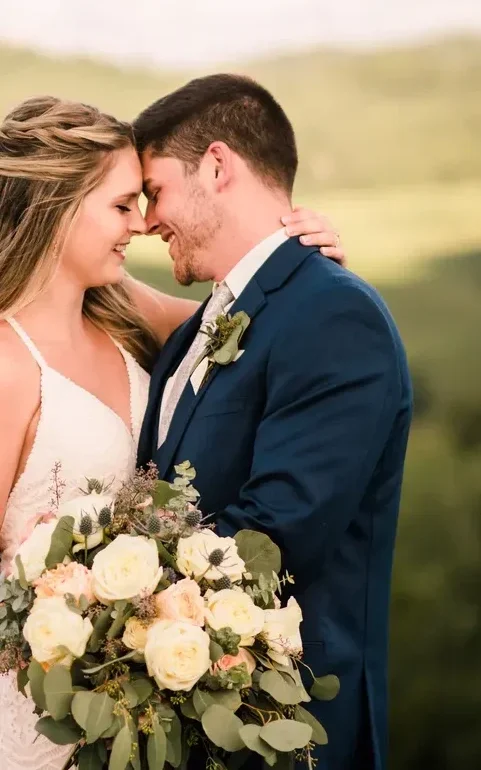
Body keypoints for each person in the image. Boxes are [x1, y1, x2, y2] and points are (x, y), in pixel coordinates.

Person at [0, 94, 342, 770]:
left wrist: (312, 266)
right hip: (31, 699)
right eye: (123, 205)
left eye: (143, 202)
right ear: (58, 207)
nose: (143, 223)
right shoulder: (8, 362)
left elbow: (268, 324)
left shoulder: (131, 316)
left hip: (131, 700)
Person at [135, 74, 413, 770]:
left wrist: (105, 597)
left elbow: (273, 539)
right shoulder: (196, 329)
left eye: (154, 191)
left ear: (217, 166)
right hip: (192, 727)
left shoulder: (332, 313)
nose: (145, 219)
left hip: (290, 730)